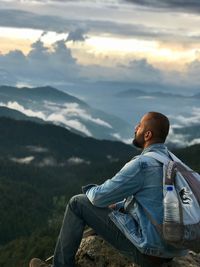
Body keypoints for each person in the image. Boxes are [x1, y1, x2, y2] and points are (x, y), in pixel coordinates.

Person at [29, 112, 187, 267]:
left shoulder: (142, 164)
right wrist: (118, 205)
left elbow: (98, 197)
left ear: (147, 135)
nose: (135, 128)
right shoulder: (175, 163)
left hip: (149, 254)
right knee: (112, 207)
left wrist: (93, 192)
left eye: (139, 126)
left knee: (77, 203)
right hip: (172, 251)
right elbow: (153, 202)